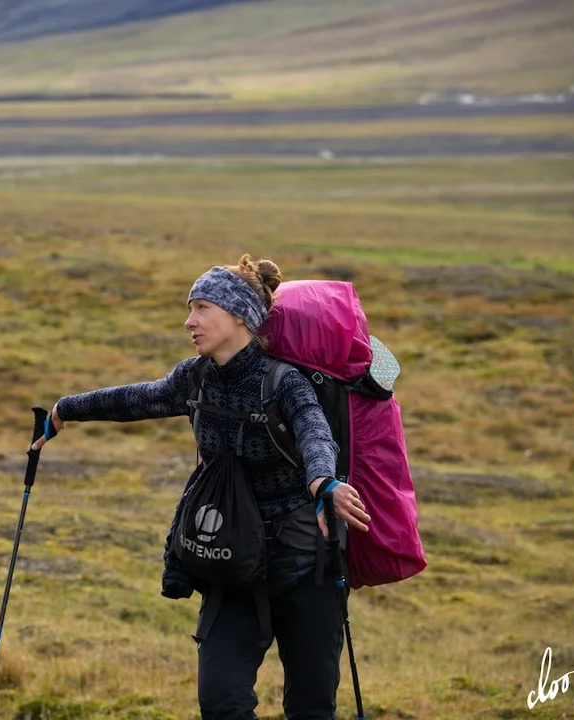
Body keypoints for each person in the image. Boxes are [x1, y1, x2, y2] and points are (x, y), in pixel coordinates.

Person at [31, 256, 372, 719]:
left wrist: (322, 481)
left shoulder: (283, 381)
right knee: (221, 704)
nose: (189, 321)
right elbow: (137, 398)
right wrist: (65, 409)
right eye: (190, 309)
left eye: (202, 308)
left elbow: (315, 429)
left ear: (239, 316)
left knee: (312, 709)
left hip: (303, 563)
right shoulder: (195, 378)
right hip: (232, 563)